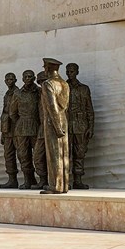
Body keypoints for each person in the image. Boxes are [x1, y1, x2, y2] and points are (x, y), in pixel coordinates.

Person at [39, 58, 70, 194]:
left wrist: (57, 127)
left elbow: (52, 107)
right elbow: (65, 105)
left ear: (48, 68)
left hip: (53, 121)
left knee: (54, 154)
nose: (44, 68)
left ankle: (55, 185)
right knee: (64, 153)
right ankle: (64, 185)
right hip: (64, 119)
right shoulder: (64, 83)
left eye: (45, 66)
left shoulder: (48, 84)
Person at [9, 70, 40, 189]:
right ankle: (28, 179)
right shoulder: (17, 93)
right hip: (21, 127)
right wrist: (20, 122)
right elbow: (12, 113)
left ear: (34, 78)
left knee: (38, 154)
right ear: (22, 79)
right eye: (25, 76)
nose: (28, 78)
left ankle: (43, 179)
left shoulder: (39, 91)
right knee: (23, 154)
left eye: (30, 77)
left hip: (35, 126)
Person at [65, 63, 94, 189]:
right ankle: (65, 181)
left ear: (77, 72)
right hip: (66, 124)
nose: (69, 73)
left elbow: (89, 109)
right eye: (68, 71)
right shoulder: (62, 87)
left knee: (80, 153)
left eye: (72, 71)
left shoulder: (84, 89)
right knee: (65, 154)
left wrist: (91, 126)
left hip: (81, 125)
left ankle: (78, 180)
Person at [0, 72, 19, 189]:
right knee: (8, 155)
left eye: (11, 79)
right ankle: (12, 180)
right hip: (7, 129)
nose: (9, 81)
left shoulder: (18, 93)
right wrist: (3, 131)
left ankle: (29, 179)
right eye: (7, 79)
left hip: (17, 127)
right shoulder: (6, 94)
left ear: (15, 80)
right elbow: (4, 112)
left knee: (23, 154)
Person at [32, 70, 48, 189]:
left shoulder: (55, 93)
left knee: (55, 157)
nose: (43, 84)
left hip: (54, 130)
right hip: (42, 129)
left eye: (45, 81)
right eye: (41, 82)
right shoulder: (38, 94)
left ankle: (55, 181)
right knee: (37, 156)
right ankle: (43, 179)